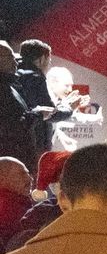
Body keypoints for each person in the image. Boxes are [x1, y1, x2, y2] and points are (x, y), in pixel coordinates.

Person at [14, 40, 73, 169]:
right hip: (34, 145)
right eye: (49, 61)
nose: (48, 66)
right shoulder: (35, 77)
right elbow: (50, 113)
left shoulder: (14, 75)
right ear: (42, 59)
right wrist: (68, 107)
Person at [0, 42, 39, 168]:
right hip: (10, 165)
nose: (16, 63)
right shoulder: (3, 89)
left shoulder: (9, 86)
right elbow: (10, 127)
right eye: (11, 58)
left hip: (19, 162)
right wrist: (37, 114)